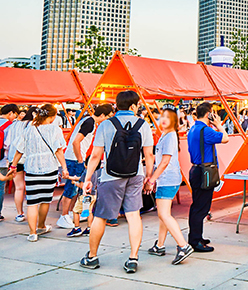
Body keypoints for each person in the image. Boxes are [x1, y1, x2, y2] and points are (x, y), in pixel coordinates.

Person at [80, 90, 155, 274]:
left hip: (110, 176)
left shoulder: (106, 125)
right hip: (135, 175)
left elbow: (96, 155)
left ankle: (92, 256)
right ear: (132, 106)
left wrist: (88, 178)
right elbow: (149, 155)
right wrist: (149, 177)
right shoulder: (143, 125)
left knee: (101, 216)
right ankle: (133, 258)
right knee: (133, 215)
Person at [9, 104, 69, 242]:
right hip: (50, 169)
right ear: (53, 116)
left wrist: (13, 165)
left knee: (32, 202)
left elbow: (19, 150)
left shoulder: (29, 129)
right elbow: (59, 150)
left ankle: (32, 233)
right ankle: (41, 226)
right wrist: (64, 168)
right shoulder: (55, 129)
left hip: (31, 169)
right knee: (45, 200)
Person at [147, 104, 194, 265]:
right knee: (163, 214)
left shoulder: (169, 136)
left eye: (168, 117)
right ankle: (159, 245)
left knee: (164, 215)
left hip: (167, 179)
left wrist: (152, 179)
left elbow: (165, 161)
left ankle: (183, 245)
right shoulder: (166, 135)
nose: (163, 120)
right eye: (162, 116)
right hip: (167, 179)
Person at [62, 104, 114, 234]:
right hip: (74, 158)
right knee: (71, 188)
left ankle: (70, 214)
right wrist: (80, 158)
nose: (108, 120)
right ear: (102, 115)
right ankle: (64, 215)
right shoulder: (89, 122)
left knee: (76, 188)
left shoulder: (88, 121)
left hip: (74, 157)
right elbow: (76, 141)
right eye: (108, 117)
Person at [187, 102, 229, 252]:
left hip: (195, 170)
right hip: (204, 171)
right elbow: (225, 138)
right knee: (201, 208)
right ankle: (196, 241)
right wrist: (218, 124)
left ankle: (196, 236)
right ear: (208, 114)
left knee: (197, 206)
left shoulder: (192, 128)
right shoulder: (206, 130)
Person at [7, 106, 36, 223]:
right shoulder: (32, 125)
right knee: (31, 188)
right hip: (28, 159)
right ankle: (32, 212)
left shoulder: (14, 124)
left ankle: (19, 213)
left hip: (14, 159)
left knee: (19, 188)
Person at [0, 104, 20, 221]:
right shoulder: (10, 126)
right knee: (0, 187)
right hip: (2, 160)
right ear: (10, 113)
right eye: (14, 115)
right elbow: (8, 144)